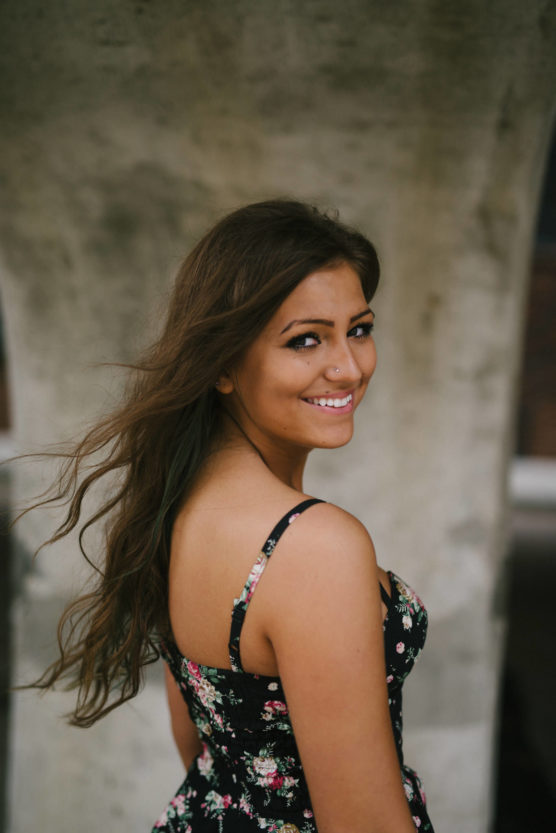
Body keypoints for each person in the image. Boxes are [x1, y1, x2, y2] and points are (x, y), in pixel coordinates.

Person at [28, 200, 434, 832]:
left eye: (358, 329)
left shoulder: (174, 503)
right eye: (305, 340)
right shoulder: (313, 546)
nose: (349, 368)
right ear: (221, 363)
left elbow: (196, 739)